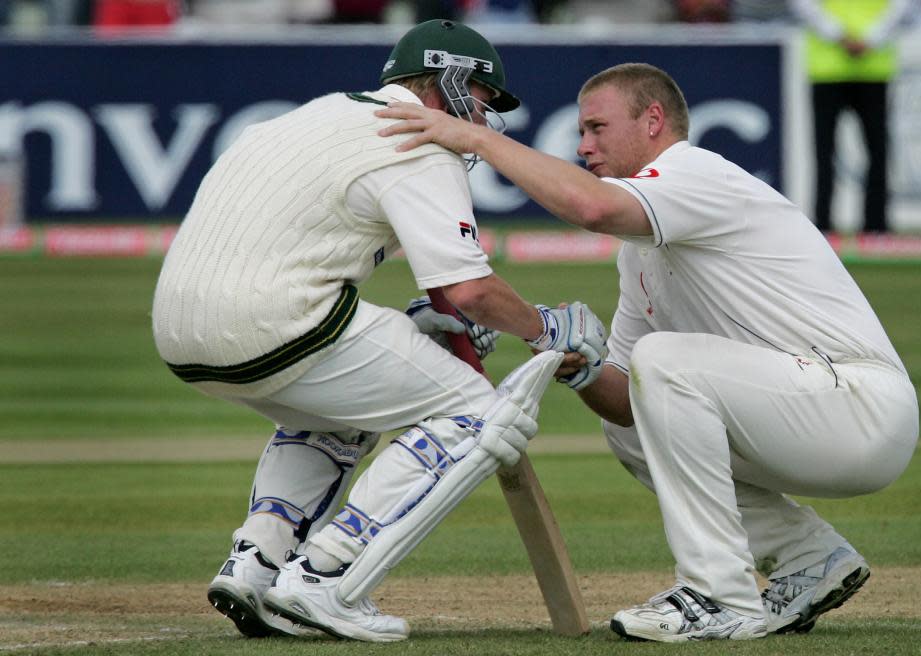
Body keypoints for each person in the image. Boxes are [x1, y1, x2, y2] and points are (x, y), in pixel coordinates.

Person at [376, 62, 919, 642]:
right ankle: (808, 557)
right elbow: (628, 401)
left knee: (662, 362)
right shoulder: (637, 253)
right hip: (809, 414)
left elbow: (594, 208)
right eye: (581, 131)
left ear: (653, 120)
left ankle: (718, 594)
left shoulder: (696, 172)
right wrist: (566, 354)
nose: (583, 146)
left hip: (860, 407)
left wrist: (475, 135)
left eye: (596, 128)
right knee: (634, 419)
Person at [151, 19, 605, 643]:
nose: (482, 118)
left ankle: (256, 564)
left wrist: (425, 317)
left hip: (180, 332)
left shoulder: (311, 116)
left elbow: (318, 252)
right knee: (480, 413)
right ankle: (325, 576)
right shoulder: (416, 139)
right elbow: (470, 290)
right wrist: (545, 328)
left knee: (339, 410)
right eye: (480, 98)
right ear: (450, 80)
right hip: (276, 321)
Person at [789, 0, 916, 233]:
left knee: (876, 152)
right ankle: (826, 224)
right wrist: (864, 38)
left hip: (861, 68)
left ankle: (874, 225)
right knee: (828, 153)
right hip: (837, 67)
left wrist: (852, 37)